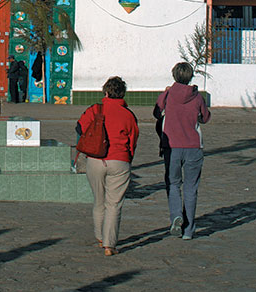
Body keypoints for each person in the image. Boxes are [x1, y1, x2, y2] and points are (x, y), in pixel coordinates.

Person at [76, 76, 139, 256]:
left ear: (105, 92)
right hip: (119, 160)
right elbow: (133, 140)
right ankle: (109, 245)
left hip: (95, 160)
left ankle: (100, 237)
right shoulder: (128, 115)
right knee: (114, 204)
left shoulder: (96, 109)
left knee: (99, 201)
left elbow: (79, 128)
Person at [154, 61, 211, 240]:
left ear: (174, 76)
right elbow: (205, 117)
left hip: (172, 147)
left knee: (173, 183)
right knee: (191, 188)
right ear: (190, 76)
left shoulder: (168, 94)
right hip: (194, 146)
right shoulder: (197, 97)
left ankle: (176, 215)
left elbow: (156, 113)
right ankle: (188, 230)